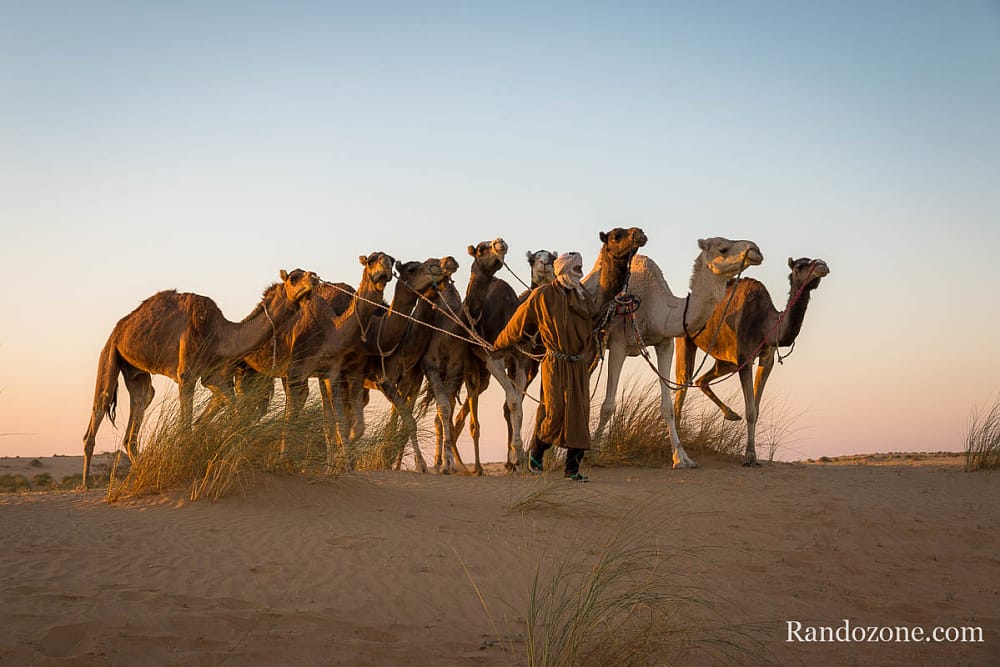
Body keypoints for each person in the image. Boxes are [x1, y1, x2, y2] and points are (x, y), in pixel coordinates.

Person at [492, 251, 596, 481]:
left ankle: (572, 470)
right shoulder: (543, 295)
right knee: (554, 411)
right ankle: (537, 452)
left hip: (578, 365)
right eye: (575, 268)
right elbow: (518, 322)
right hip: (555, 363)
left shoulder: (583, 297)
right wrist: (498, 344)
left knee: (580, 415)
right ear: (564, 269)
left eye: (580, 268)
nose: (580, 272)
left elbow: (595, 319)